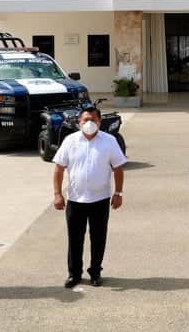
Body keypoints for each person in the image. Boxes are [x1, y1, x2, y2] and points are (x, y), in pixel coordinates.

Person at [53, 106, 127, 288]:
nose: (89, 123)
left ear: (99, 122)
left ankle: (95, 272)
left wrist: (118, 193)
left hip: (100, 199)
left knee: (98, 237)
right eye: (85, 120)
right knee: (75, 239)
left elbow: (118, 168)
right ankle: (74, 274)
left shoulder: (109, 141)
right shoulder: (70, 141)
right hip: (75, 200)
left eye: (93, 120)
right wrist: (57, 194)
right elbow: (59, 169)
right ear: (79, 123)